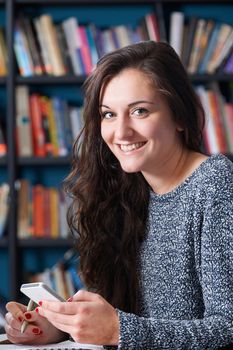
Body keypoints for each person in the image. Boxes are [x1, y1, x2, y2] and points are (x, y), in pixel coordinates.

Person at [4, 41, 233, 349]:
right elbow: (127, 318)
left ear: (180, 115)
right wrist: (62, 327)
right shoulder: (129, 191)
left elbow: (227, 328)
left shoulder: (216, 184)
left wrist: (118, 330)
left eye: (139, 111)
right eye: (109, 115)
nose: (121, 132)